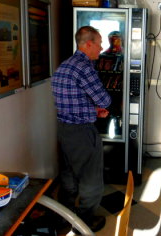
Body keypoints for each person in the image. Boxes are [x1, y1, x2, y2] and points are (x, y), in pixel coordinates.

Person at [51, 26, 111, 233]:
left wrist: (93, 111)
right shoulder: (84, 67)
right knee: (91, 179)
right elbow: (104, 99)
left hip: (64, 129)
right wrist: (99, 107)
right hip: (82, 133)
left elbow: (70, 102)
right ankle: (84, 222)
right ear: (88, 44)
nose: (102, 48)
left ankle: (64, 217)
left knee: (68, 176)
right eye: (99, 43)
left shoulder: (65, 66)